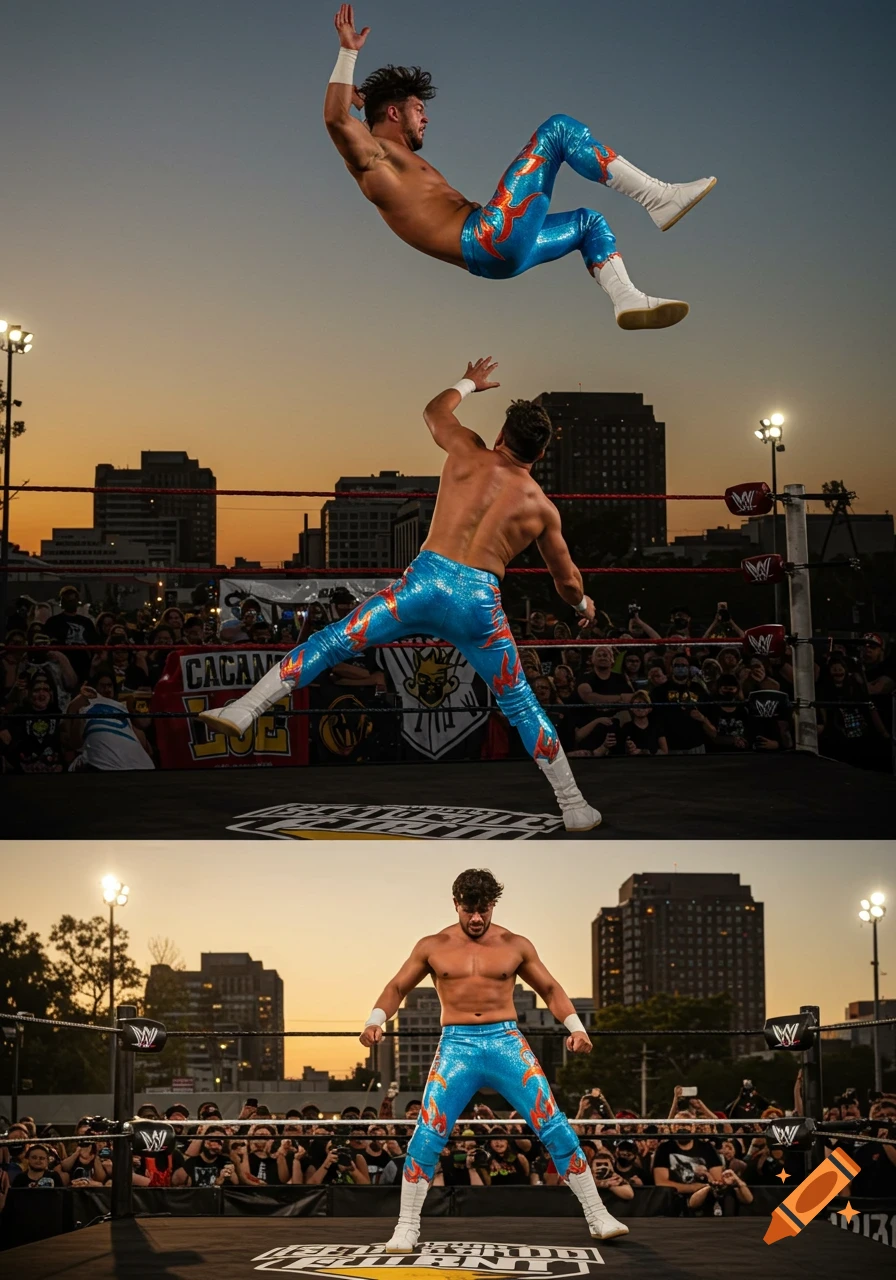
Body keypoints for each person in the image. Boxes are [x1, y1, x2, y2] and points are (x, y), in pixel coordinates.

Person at [200, 362, 603, 831]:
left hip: (423, 585)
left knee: (334, 641)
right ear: (542, 452)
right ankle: (573, 805)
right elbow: (567, 581)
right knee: (519, 702)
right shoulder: (541, 508)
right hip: (479, 605)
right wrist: (582, 607)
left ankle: (246, 707)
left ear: (499, 435)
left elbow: (435, 410)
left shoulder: (467, 449)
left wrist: (470, 381)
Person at [324, 7, 714, 329]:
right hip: (488, 237)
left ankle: (627, 299)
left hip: (499, 255)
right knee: (558, 130)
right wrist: (348, 53)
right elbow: (336, 120)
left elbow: (353, 117)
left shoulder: (388, 156)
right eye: (418, 110)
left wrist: (365, 100)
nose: (425, 119)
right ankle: (659, 197)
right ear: (394, 112)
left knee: (589, 224)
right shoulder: (375, 158)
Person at [358, 869, 629, 1249]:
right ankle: (406, 1226)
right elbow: (397, 986)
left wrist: (577, 1028)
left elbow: (549, 988)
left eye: (482, 910)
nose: (475, 919)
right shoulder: (432, 945)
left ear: (493, 906)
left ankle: (598, 1215)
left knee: (553, 1124)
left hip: (506, 1042)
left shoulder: (515, 944)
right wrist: (374, 1021)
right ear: (456, 904)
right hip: (457, 1046)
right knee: (428, 1132)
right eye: (468, 910)